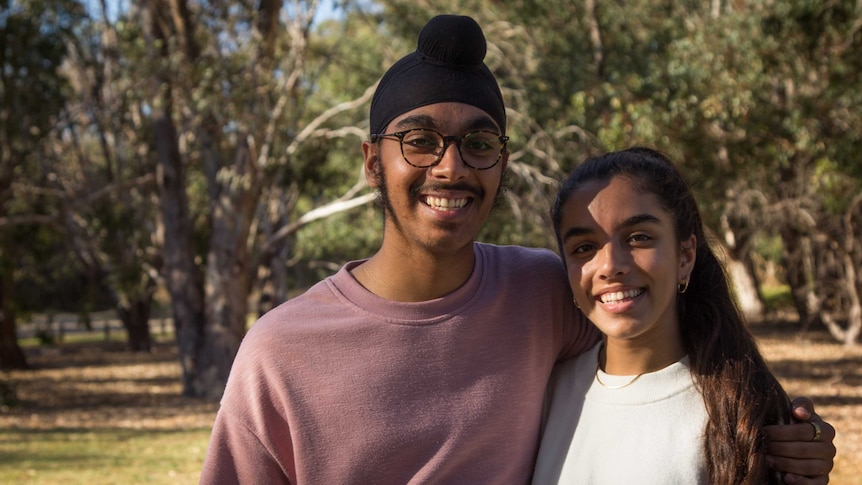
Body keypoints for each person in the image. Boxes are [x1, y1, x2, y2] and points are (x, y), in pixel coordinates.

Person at [200, 15, 835, 484]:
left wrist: (789, 435)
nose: (451, 168)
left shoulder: (543, 293)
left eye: (479, 144)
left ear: (502, 162)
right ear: (373, 161)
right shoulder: (280, 352)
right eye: (419, 140)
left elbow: (666, 337)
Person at [533, 147, 837, 484]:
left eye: (638, 238)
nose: (610, 266)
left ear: (685, 255)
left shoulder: (741, 413)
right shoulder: (545, 393)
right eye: (584, 248)